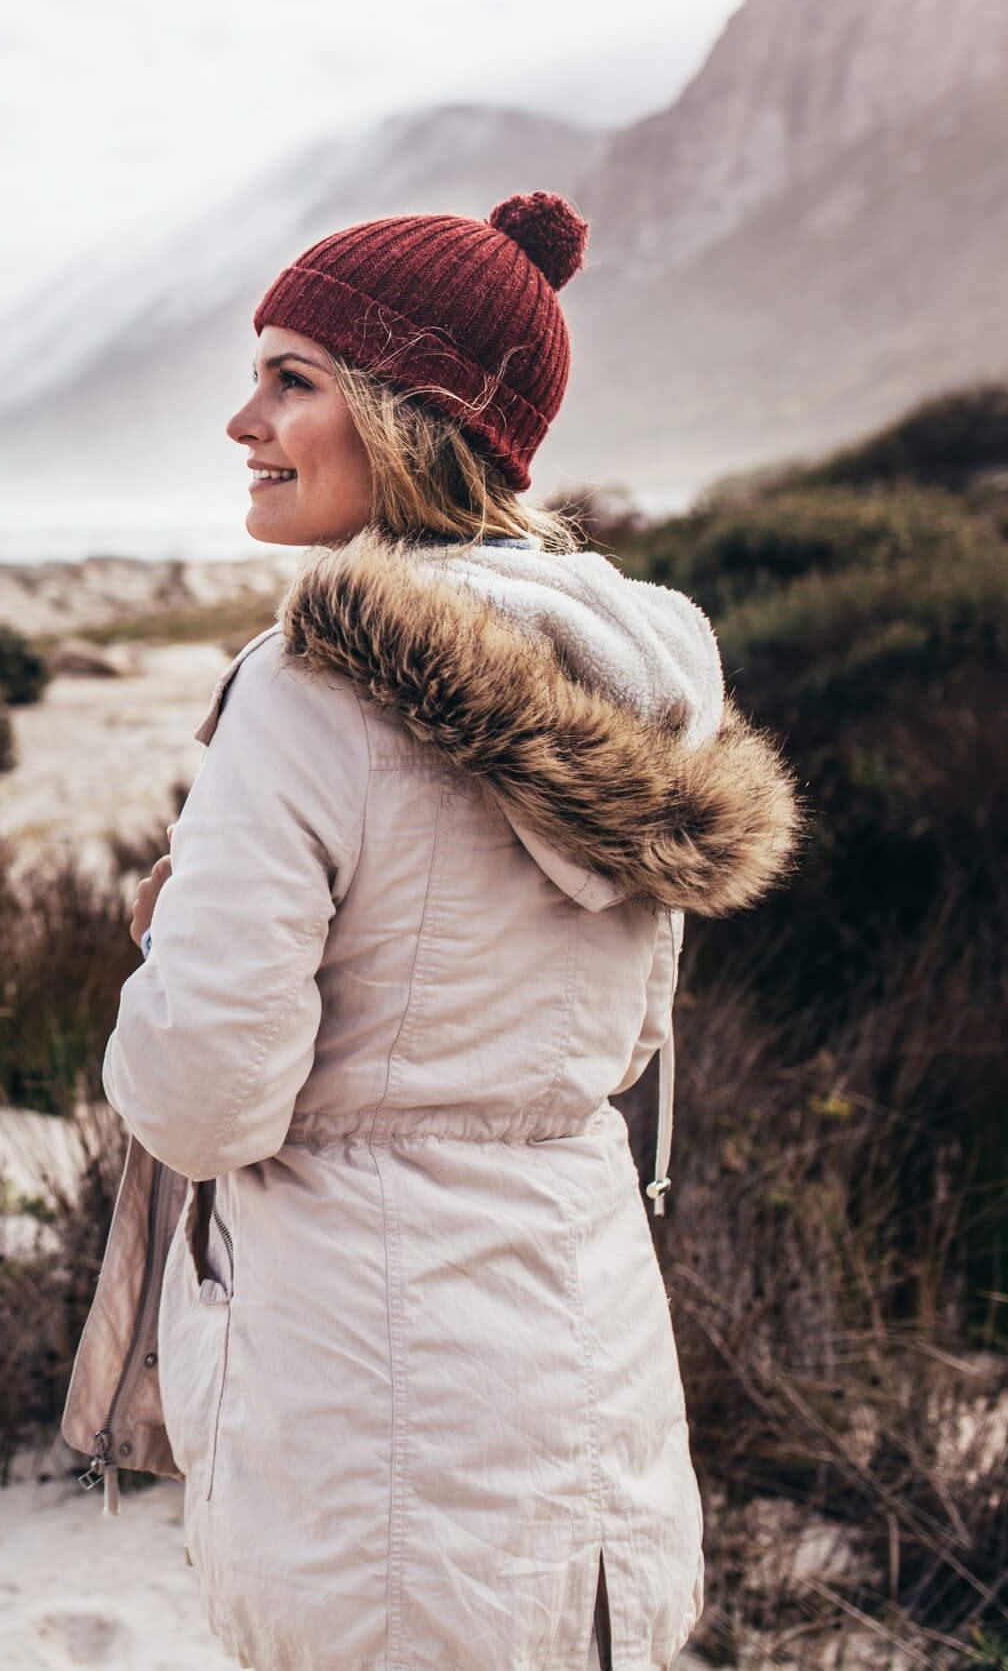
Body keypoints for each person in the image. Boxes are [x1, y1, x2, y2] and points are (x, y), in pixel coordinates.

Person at [62, 191, 804, 1670]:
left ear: (410, 414)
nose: (241, 421)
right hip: (583, 1345)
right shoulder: (641, 680)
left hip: (368, 1389)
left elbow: (205, 1101)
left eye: (293, 378)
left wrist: (165, 952)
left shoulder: (307, 686)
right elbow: (627, 1036)